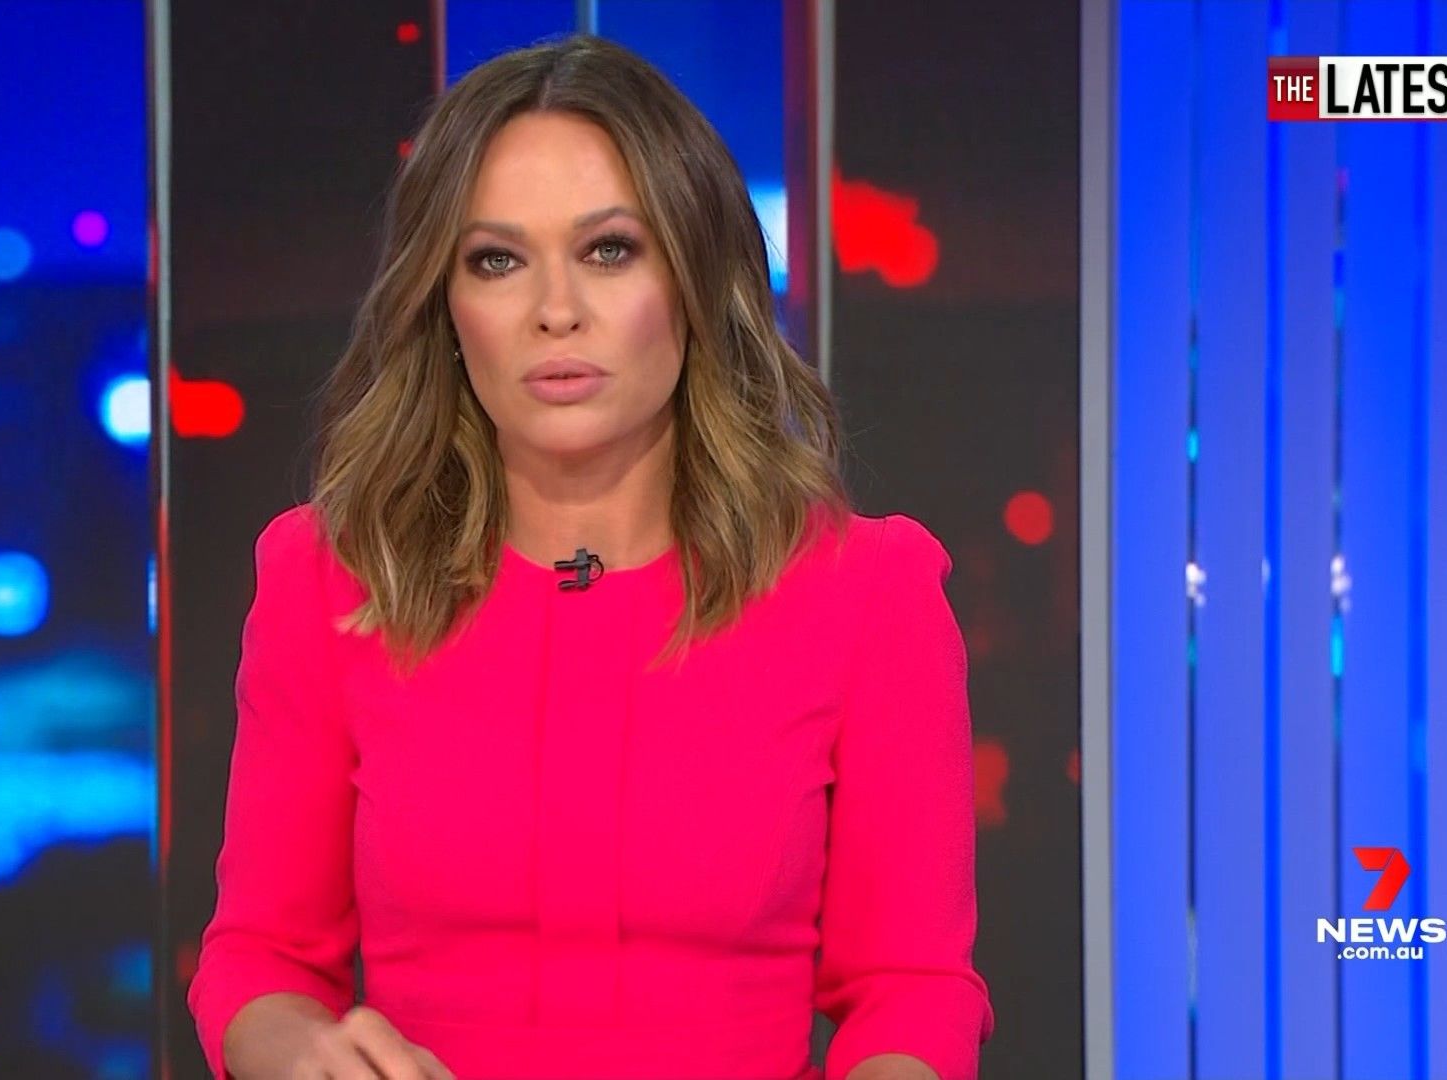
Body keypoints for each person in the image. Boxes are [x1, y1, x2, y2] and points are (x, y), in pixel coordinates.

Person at [187, 32, 994, 1080]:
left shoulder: (866, 591)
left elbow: (911, 991)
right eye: (497, 260)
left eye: (610, 250)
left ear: (695, 278)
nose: (555, 311)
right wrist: (298, 1050)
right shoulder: (329, 577)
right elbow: (261, 956)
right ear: (446, 305)